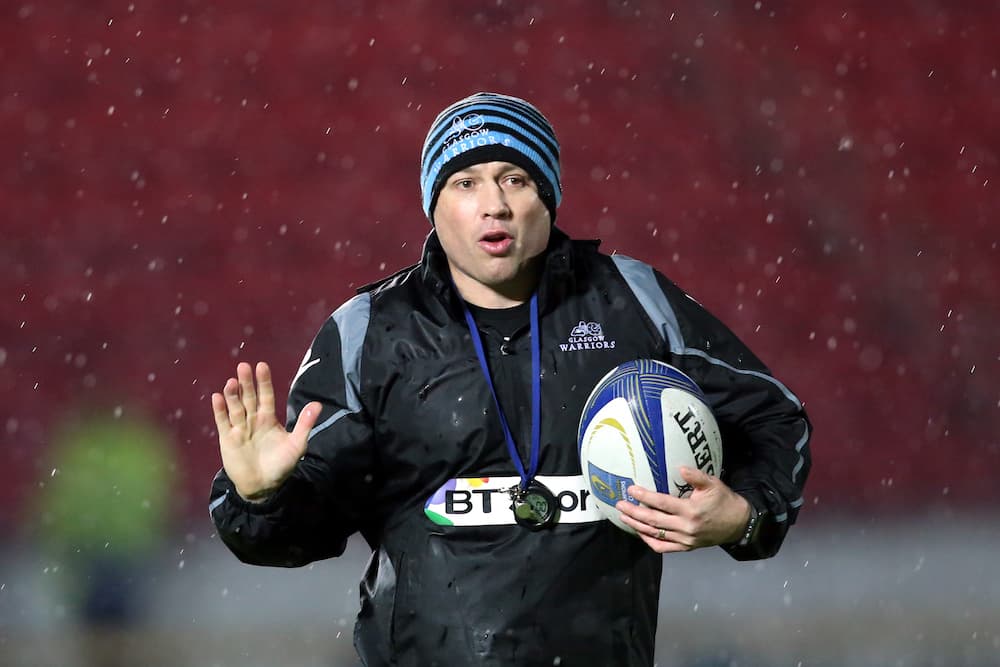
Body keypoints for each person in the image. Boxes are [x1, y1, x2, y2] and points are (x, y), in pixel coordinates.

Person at [209, 91, 812, 667]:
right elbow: (300, 531)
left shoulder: (629, 302)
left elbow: (772, 420)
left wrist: (746, 517)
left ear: (547, 197)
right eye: (465, 183)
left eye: (514, 179)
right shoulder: (372, 333)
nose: (493, 203)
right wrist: (260, 499)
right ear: (434, 205)